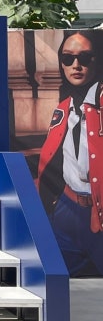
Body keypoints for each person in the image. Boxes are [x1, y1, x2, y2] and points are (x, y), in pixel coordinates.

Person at [38, 30, 103, 276]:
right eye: (68, 58)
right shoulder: (64, 108)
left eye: (84, 57)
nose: (76, 65)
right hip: (66, 209)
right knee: (61, 284)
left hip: (98, 214)